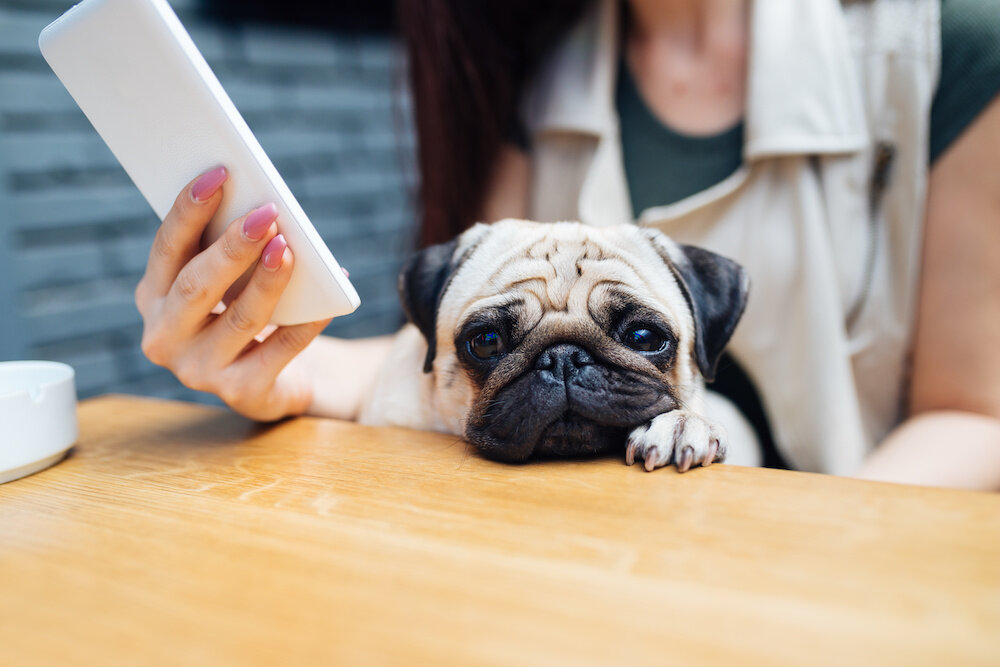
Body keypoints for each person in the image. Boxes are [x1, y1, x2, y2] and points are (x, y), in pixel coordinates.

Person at [134, 0, 1000, 491]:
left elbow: (976, 414)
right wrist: (287, 365)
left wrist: (802, 559)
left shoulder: (945, 48)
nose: (562, 374)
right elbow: (427, 354)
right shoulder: (535, 66)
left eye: (641, 337)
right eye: (499, 348)